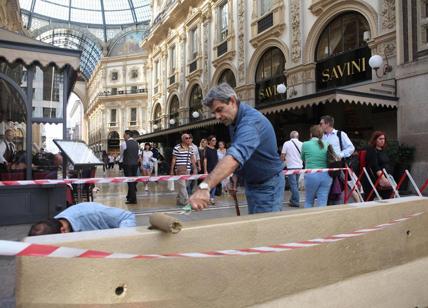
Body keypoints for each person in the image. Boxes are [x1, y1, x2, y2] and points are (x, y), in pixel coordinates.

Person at [189, 83, 285, 214]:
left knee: (267, 230)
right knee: (257, 225)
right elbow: (243, 153)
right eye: (214, 112)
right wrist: (236, 176)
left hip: (268, 184)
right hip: (254, 183)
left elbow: (235, 156)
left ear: (233, 101)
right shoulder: (233, 121)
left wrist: (204, 187)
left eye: (219, 109)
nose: (217, 116)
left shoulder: (250, 123)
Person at [28, 202, 136, 236]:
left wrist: (118, 239)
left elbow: (128, 217)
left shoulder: (93, 213)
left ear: (63, 231)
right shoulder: (54, 225)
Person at [320, 115, 355, 204]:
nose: (320, 126)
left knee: (338, 189)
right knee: (325, 191)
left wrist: (340, 155)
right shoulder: (321, 136)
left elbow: (351, 148)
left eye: (321, 123)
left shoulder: (340, 134)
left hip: (337, 166)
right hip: (324, 166)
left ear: (327, 124)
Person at [301, 125, 333, 208]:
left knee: (309, 201)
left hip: (311, 174)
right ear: (322, 135)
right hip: (326, 175)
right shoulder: (327, 144)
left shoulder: (305, 144)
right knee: (322, 201)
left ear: (311, 134)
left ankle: (308, 220)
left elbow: (303, 158)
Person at [363, 131, 393, 200]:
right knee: (369, 200)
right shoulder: (371, 150)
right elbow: (375, 166)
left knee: (389, 198)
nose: (383, 141)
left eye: (384, 139)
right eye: (380, 139)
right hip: (374, 179)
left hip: (385, 177)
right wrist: (383, 178)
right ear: (375, 140)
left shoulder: (383, 150)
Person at [170, 133, 197, 206]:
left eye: (189, 138)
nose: (188, 139)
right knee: (183, 186)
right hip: (179, 170)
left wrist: (194, 169)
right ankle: (187, 202)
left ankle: (179, 200)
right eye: (186, 138)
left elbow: (192, 159)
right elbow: (173, 159)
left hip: (187, 169)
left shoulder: (190, 148)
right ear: (182, 139)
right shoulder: (177, 147)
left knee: (184, 185)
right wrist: (172, 170)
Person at [280, 131, 303, 207]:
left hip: (291, 167)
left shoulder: (286, 143)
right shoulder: (302, 144)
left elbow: (283, 156)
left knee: (293, 185)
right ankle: (292, 200)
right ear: (298, 136)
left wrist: (281, 163)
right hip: (299, 167)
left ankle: (296, 201)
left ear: (290, 137)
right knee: (295, 184)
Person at [120, 130, 139, 204]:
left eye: (124, 135)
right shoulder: (136, 143)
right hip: (135, 164)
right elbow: (137, 154)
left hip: (127, 164)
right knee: (133, 181)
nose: (123, 137)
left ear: (128, 135)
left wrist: (120, 161)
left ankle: (133, 199)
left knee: (130, 181)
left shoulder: (124, 143)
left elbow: (121, 155)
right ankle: (129, 196)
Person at [204, 135, 218, 204]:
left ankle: (212, 198)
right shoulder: (206, 149)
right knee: (208, 184)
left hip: (215, 169)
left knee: (214, 184)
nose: (214, 142)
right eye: (213, 140)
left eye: (215, 140)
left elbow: (216, 160)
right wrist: (205, 170)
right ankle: (206, 198)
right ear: (209, 141)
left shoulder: (215, 149)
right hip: (209, 169)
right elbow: (205, 160)